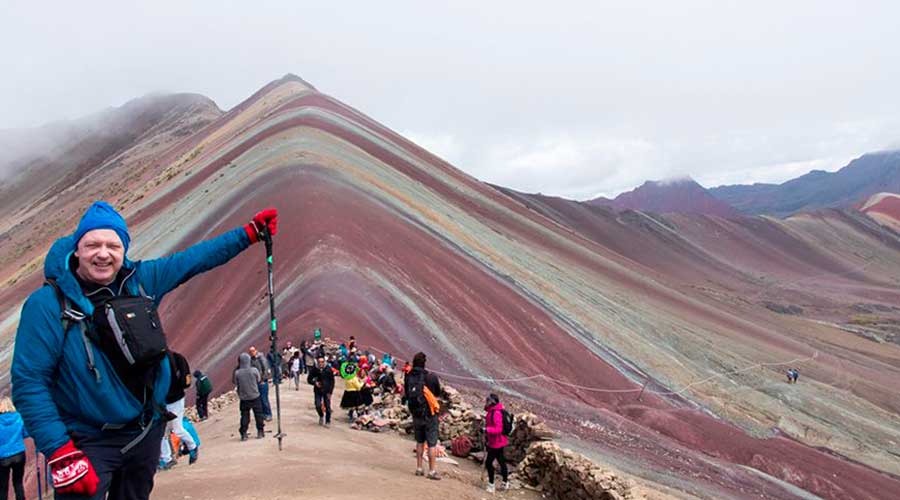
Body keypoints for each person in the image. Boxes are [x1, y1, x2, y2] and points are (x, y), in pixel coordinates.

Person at [11, 201, 277, 499]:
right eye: (92, 245)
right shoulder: (47, 305)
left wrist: (249, 234)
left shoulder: (140, 281)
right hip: (87, 442)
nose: (103, 253)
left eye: (113, 245)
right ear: (76, 249)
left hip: (145, 432)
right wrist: (61, 451)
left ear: (123, 250)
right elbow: (29, 382)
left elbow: (193, 260)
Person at [404, 352, 442, 480]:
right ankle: (432, 471)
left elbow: (407, 395)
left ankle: (419, 468)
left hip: (416, 413)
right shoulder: (431, 377)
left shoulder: (408, 376)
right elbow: (438, 393)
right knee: (431, 444)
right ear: (424, 363)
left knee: (419, 441)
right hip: (429, 414)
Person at [158, 351, 198, 470]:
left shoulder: (171, 358)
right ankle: (166, 459)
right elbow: (186, 381)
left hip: (174, 400)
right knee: (162, 431)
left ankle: (192, 447)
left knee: (177, 429)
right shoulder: (176, 357)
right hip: (168, 400)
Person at [0, 398, 28, 500]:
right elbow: (25, 433)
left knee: (3, 487)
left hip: (3, 457)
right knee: (18, 483)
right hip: (19, 454)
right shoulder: (18, 417)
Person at [234, 353, 265, 441]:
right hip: (255, 395)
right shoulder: (254, 370)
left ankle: (244, 433)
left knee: (244, 416)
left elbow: (235, 382)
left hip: (244, 397)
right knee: (258, 414)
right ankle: (260, 431)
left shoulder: (237, 373)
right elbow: (258, 379)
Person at [483, 394, 510, 492]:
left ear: (491, 402)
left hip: (497, 442)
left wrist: (487, 430)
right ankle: (505, 482)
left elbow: (498, 429)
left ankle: (491, 485)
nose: (486, 402)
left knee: (489, 462)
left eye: (488, 400)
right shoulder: (491, 412)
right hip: (496, 441)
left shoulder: (496, 413)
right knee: (501, 461)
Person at [307, 356, 335, 426]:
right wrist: (315, 383)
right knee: (317, 405)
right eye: (319, 362)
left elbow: (332, 381)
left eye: (322, 362)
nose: (321, 364)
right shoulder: (315, 369)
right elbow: (309, 379)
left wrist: (330, 392)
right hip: (318, 390)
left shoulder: (328, 369)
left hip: (327, 390)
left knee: (327, 406)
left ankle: (328, 421)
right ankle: (321, 415)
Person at [248, 346, 273, 421]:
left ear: (256, 350)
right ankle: (262, 415)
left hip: (262, 382)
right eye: (250, 351)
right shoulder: (251, 360)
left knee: (264, 398)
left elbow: (265, 369)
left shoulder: (261, 358)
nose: (251, 353)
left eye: (253, 351)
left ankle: (268, 414)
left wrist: (263, 379)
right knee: (258, 400)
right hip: (255, 382)